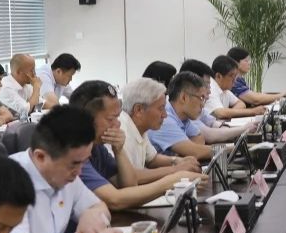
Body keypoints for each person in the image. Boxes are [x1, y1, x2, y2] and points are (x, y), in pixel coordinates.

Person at [8, 105, 123, 233]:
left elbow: (98, 206)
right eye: (74, 164)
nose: (79, 172)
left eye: (84, 162)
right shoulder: (9, 178)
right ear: (41, 157)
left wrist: (91, 215)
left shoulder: (68, 174)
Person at [67, 80, 204, 210]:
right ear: (85, 121)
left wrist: (119, 150)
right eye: (111, 119)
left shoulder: (97, 147)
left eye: (117, 117)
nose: (117, 124)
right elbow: (115, 199)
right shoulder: (73, 153)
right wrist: (173, 179)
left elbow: (129, 185)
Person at [119, 77, 202, 181]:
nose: (165, 115)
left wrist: (177, 161)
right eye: (161, 108)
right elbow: (130, 176)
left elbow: (152, 159)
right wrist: (176, 170)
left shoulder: (140, 127)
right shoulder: (122, 131)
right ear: (139, 110)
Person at [148, 71, 220, 162]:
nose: (203, 105)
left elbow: (199, 137)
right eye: (201, 98)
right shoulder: (164, 119)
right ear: (184, 98)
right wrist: (231, 149)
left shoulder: (183, 117)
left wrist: (190, 151)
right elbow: (197, 152)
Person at [178, 60, 252, 144]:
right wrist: (244, 128)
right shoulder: (175, 114)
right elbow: (209, 136)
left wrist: (229, 130)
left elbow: (213, 124)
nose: (209, 91)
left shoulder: (194, 105)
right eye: (206, 85)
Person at [207, 55, 267, 120]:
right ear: (218, 76)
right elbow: (220, 113)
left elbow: (241, 103)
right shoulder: (209, 88)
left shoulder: (224, 88)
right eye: (231, 76)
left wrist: (229, 113)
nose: (235, 80)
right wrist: (253, 111)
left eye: (235, 76)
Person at [0, 54, 41, 119]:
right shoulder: (6, 87)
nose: (34, 74)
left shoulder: (26, 85)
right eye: (31, 70)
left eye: (34, 70)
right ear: (18, 72)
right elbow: (26, 111)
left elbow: (39, 105)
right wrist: (36, 88)